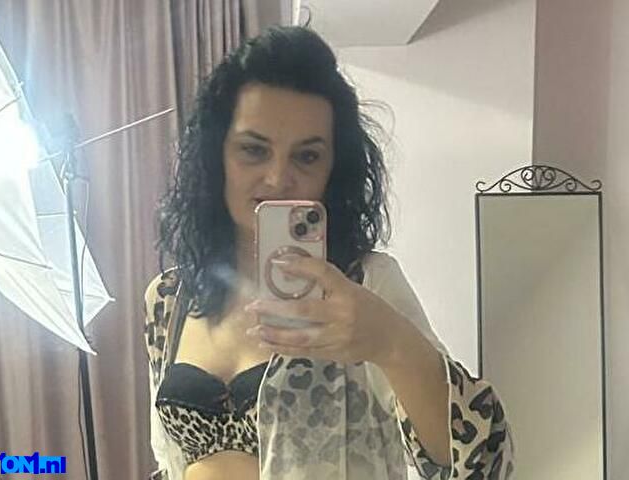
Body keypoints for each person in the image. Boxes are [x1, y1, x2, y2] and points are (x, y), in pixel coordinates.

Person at [143, 26, 514, 480]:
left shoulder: (365, 284)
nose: (278, 178)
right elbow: (168, 460)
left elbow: (483, 463)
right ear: (214, 156)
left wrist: (392, 343)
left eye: (307, 157)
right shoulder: (169, 297)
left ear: (334, 169)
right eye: (253, 150)